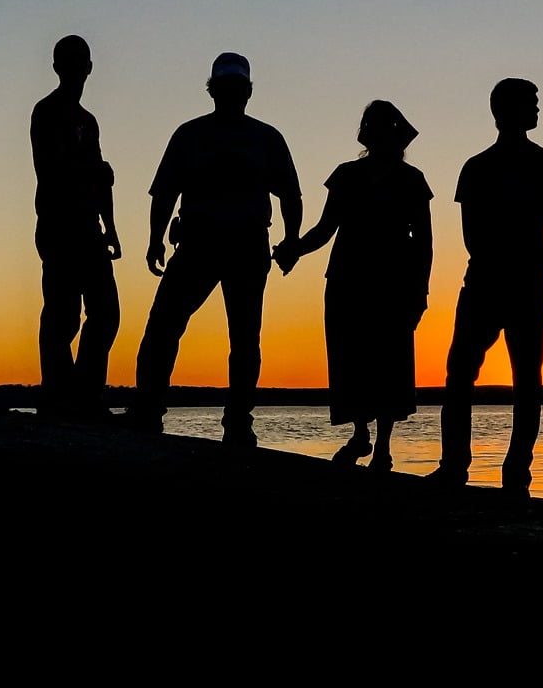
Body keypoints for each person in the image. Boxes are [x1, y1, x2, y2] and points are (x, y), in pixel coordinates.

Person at [125, 53, 302, 446]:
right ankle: (149, 410)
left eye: (236, 88)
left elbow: (290, 192)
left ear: (246, 92)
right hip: (198, 245)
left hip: (245, 246)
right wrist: (155, 237)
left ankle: (237, 421)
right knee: (165, 328)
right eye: (226, 88)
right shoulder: (190, 135)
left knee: (241, 338)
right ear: (214, 90)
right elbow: (165, 191)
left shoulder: (264, 138)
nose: (231, 94)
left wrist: (292, 239)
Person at [426, 78, 543, 496]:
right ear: (506, 110)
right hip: (486, 284)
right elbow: (473, 236)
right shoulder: (477, 167)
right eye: (532, 103)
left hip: (518, 284)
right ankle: (455, 466)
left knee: (525, 378)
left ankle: (515, 472)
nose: (538, 110)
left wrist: (536, 273)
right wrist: (523, 272)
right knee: (461, 373)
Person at [275, 101, 433, 473]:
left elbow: (424, 243)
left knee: (390, 364)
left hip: (393, 284)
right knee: (351, 359)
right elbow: (325, 229)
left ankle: (382, 447)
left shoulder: (412, 181)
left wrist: (420, 291)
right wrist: (294, 247)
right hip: (347, 279)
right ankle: (361, 432)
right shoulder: (346, 175)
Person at [31, 34, 120, 418]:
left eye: (80, 62)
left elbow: (103, 179)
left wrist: (111, 226)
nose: (76, 70)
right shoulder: (46, 112)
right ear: (57, 68)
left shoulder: (89, 121)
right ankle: (58, 394)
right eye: (68, 62)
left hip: (89, 228)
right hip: (58, 225)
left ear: (89, 68)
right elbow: (52, 168)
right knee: (62, 314)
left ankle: (84, 394)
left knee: (105, 312)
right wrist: (96, 171)